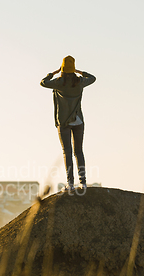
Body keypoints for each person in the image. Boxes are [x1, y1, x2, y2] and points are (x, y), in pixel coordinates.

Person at [40, 55, 96, 193]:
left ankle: (70, 184)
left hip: (63, 122)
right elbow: (93, 78)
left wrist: (52, 73)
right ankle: (83, 183)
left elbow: (43, 82)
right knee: (79, 151)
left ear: (62, 68)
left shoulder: (59, 82)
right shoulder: (80, 82)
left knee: (67, 152)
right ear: (73, 68)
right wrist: (79, 72)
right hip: (78, 121)